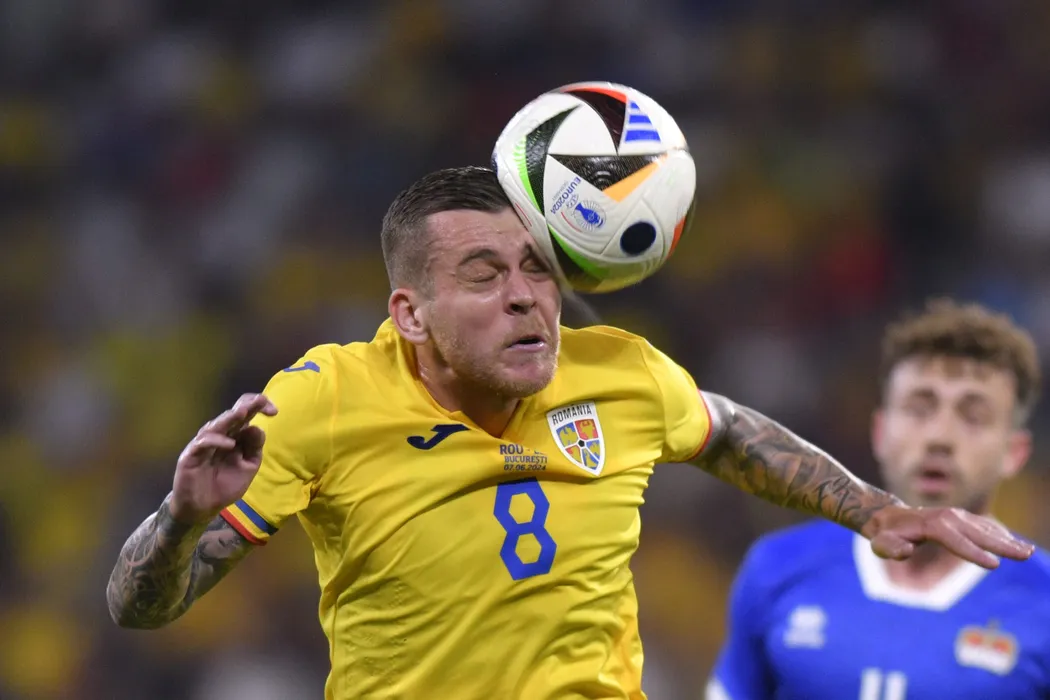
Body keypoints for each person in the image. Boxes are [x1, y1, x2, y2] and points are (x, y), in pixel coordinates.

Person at [106, 166, 1032, 700]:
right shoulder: (324, 400)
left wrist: (870, 509)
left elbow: (726, 430)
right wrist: (183, 519)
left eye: (537, 269)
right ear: (411, 313)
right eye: (483, 275)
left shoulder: (619, 371)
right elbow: (138, 607)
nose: (525, 297)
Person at [708, 300, 1050, 700]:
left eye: (972, 416)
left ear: (1015, 452)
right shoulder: (777, 566)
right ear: (880, 432)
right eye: (919, 409)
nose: (940, 436)